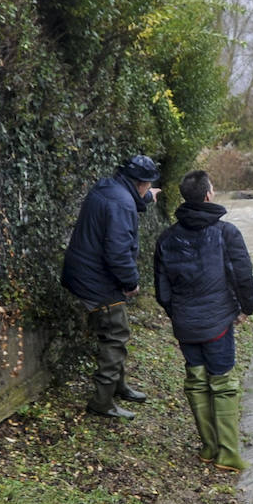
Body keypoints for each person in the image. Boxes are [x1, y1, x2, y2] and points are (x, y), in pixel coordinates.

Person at [154, 169, 253, 471]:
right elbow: (244, 276)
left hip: (186, 325)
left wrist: (181, 315)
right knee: (223, 383)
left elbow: (162, 291)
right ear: (209, 195)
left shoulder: (166, 238)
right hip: (217, 323)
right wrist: (246, 308)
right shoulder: (227, 233)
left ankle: (208, 448)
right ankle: (227, 454)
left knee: (197, 380)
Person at [61, 154, 162, 420]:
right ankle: (102, 402)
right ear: (141, 182)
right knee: (115, 335)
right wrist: (130, 283)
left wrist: (148, 197)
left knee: (116, 330)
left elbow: (127, 205)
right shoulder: (122, 202)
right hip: (96, 279)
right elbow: (118, 252)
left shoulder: (109, 188)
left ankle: (119, 386)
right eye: (147, 186)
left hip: (83, 271)